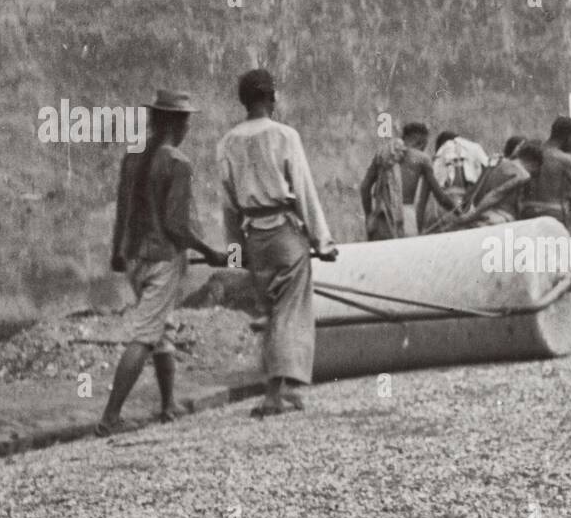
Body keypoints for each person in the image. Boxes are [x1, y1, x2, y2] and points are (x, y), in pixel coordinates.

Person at [97, 91, 229, 436]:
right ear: (175, 122)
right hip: (162, 260)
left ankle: (168, 404)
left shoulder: (133, 156)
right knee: (145, 335)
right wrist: (211, 252)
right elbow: (176, 225)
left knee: (162, 328)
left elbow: (123, 211)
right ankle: (110, 418)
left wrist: (117, 252)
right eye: (185, 120)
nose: (187, 126)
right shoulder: (178, 163)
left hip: (134, 259)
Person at [218, 68, 338, 418]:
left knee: (269, 311)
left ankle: (282, 389)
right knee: (290, 312)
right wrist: (323, 241)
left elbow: (227, 205)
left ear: (244, 100)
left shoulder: (227, 142)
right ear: (272, 98)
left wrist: (235, 253)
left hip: (253, 236)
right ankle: (273, 394)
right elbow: (303, 190)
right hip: (285, 233)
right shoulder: (285, 135)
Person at [360, 121, 454, 239]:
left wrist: (369, 216)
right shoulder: (422, 159)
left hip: (381, 218)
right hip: (406, 219)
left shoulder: (383, 154)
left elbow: (364, 188)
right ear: (421, 142)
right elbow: (440, 196)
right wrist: (459, 210)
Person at [457, 141, 543, 226]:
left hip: (484, 214)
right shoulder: (523, 175)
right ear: (534, 163)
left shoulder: (500, 164)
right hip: (501, 219)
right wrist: (471, 216)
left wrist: (473, 214)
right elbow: (496, 194)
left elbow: (481, 190)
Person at [422, 130, 490, 231]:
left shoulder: (439, 159)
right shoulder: (470, 154)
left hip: (445, 206)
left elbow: (431, 196)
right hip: (465, 205)